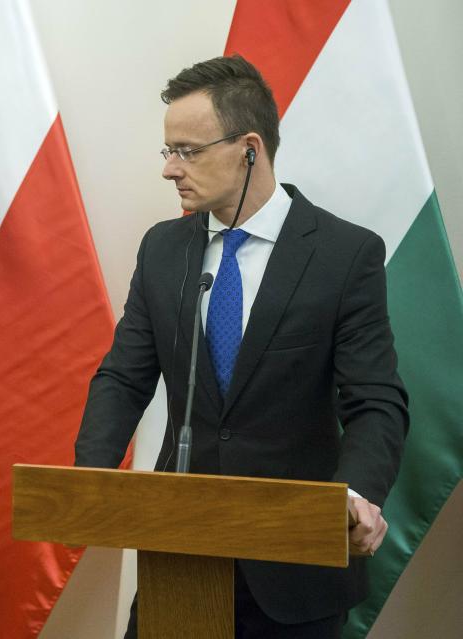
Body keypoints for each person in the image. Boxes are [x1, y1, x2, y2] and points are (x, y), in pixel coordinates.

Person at [75, 55, 408, 639]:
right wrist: (88, 478)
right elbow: (124, 377)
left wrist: (351, 498)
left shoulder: (344, 254)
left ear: (249, 148)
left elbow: (375, 400)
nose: (170, 170)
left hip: (295, 567)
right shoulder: (163, 249)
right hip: (180, 554)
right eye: (167, 151)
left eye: (188, 151)